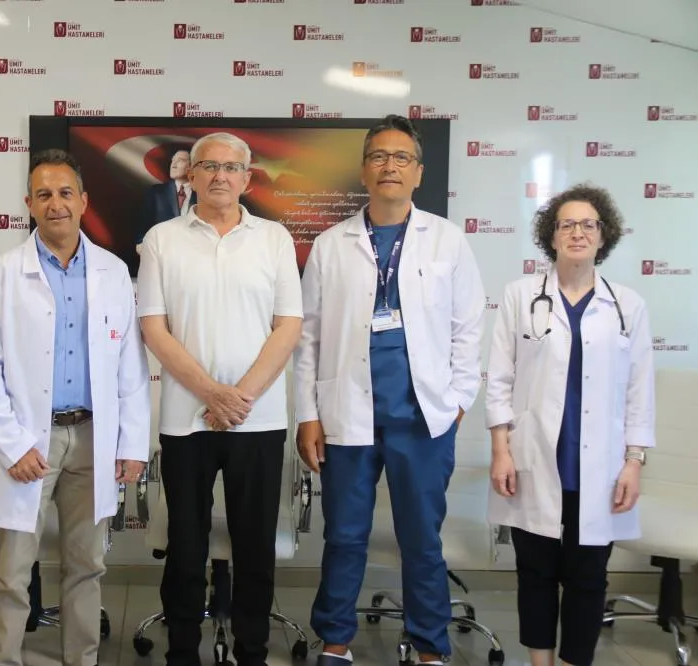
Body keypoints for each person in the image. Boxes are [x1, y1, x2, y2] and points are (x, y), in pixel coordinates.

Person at [294, 114, 485, 666]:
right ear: (363, 170)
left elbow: (469, 329)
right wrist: (308, 414)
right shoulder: (331, 244)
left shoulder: (447, 241)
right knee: (344, 535)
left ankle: (430, 648)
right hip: (347, 417)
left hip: (422, 420)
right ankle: (335, 642)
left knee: (422, 539)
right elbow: (307, 338)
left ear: (419, 172)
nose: (390, 166)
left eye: (402, 158)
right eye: (379, 156)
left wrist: (457, 403)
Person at [0, 149, 151, 666]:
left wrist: (132, 443)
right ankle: (4, 659)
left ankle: (82, 659)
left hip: (93, 438)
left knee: (87, 565)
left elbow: (130, 365)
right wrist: (11, 443)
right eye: (44, 195)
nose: (56, 204)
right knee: (12, 571)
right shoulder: (4, 273)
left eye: (65, 193)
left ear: (84, 201)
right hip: (28, 439)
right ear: (29, 204)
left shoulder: (113, 271)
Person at [137, 132, 303, 666]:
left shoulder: (274, 239)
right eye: (208, 166)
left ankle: (252, 651)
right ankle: (182, 651)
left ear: (247, 179)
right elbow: (154, 328)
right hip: (186, 420)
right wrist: (211, 393)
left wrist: (239, 398)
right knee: (186, 547)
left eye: (231, 168)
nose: (219, 176)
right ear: (191, 175)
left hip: (259, 420)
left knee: (255, 548)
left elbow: (288, 325)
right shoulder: (161, 239)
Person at [484, 184, 655, 666]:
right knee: (535, 572)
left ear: (604, 235)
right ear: (551, 235)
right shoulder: (520, 296)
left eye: (588, 224)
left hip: (600, 466)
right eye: (567, 224)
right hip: (534, 457)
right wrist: (501, 450)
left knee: (588, 577)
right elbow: (499, 379)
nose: (577, 232)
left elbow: (639, 390)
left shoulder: (628, 305)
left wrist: (634, 461)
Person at [136, 149, 196, 252]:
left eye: (180, 160)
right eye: (173, 161)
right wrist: (142, 244)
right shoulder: (156, 192)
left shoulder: (201, 193)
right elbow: (144, 226)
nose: (173, 165)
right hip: (161, 252)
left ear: (192, 166)